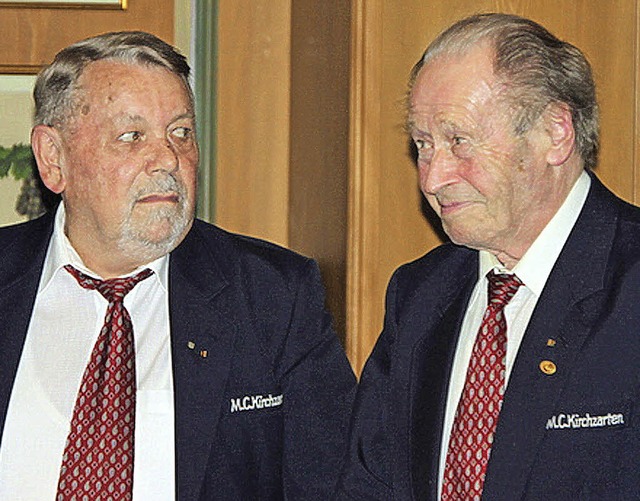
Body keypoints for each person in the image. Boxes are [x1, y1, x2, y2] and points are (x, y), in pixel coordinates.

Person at [0, 31, 356, 500]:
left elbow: (335, 486)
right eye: (132, 136)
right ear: (53, 158)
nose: (167, 158)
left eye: (181, 132)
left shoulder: (273, 297)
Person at [336, 12, 640, 500]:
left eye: (459, 141)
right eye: (423, 145)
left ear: (555, 132)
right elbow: (368, 484)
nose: (433, 178)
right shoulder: (419, 297)